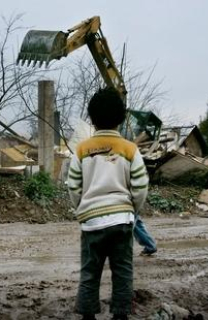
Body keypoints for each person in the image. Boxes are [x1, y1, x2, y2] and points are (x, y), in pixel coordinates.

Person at [67, 87, 148, 320]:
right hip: (122, 220)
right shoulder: (130, 149)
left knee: (90, 273)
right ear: (122, 118)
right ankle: (120, 315)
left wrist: (82, 209)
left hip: (91, 222)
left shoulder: (81, 149)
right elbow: (140, 186)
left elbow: (73, 185)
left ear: (92, 118)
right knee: (123, 272)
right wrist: (133, 209)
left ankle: (88, 316)